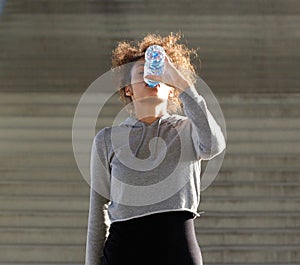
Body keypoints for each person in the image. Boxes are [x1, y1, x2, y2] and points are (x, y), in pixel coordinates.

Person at [85, 32, 226, 265]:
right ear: (128, 89)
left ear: (171, 88)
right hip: (123, 252)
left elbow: (213, 145)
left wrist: (182, 83)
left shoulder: (189, 130)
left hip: (178, 249)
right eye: (142, 72)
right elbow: (98, 208)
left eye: (159, 71)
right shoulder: (107, 139)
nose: (152, 76)